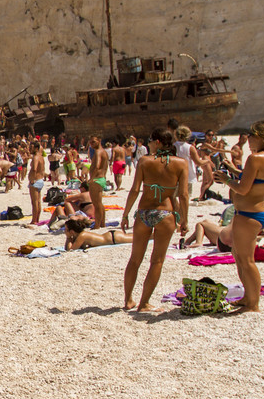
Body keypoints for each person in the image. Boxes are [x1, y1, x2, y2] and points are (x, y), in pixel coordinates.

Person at [215, 121, 264, 312]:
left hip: (248, 214)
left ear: (260, 137)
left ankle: (253, 304)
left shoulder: (255, 158)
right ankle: (247, 298)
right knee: (239, 255)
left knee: (246, 260)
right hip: (261, 212)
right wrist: (236, 171)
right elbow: (256, 181)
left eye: (251, 135)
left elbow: (243, 189)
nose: (249, 139)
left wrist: (226, 179)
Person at [121, 128, 189, 311]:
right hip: (165, 214)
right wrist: (185, 220)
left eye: (151, 140)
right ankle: (143, 303)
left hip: (144, 213)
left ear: (158, 142)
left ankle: (128, 300)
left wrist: (126, 214)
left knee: (135, 259)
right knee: (157, 260)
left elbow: (135, 190)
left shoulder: (144, 161)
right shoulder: (181, 163)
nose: (149, 143)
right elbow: (183, 194)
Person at [64, 219, 134, 250]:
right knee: (135, 236)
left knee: (138, 238)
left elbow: (70, 249)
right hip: (111, 236)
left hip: (114, 238)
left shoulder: (82, 236)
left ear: (72, 231)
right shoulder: (81, 235)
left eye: (66, 230)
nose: (64, 231)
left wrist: (68, 237)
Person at [88, 137, 110, 228]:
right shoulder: (104, 152)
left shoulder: (98, 152)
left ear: (99, 141)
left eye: (93, 142)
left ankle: (97, 225)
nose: (91, 144)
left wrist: (91, 178)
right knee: (100, 203)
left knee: (96, 204)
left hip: (96, 179)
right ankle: (102, 223)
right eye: (90, 143)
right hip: (101, 178)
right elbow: (105, 166)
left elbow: (97, 166)